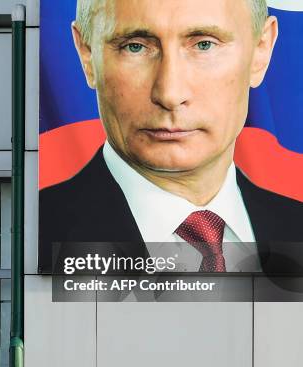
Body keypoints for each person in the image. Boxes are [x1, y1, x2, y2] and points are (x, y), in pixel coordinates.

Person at [39, 0, 303, 274]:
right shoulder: (34, 232)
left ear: (261, 50)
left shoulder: (295, 225)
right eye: (135, 46)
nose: (170, 94)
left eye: (204, 44)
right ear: (87, 54)